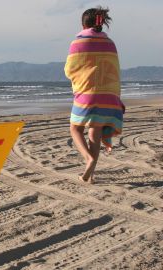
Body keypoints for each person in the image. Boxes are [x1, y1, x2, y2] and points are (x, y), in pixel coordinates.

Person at [64, 6, 125, 184]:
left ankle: (88, 159)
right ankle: (91, 175)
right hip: (109, 95)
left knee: (75, 128)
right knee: (95, 131)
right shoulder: (110, 43)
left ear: (83, 24)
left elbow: (70, 69)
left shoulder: (77, 43)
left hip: (87, 93)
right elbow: (114, 69)